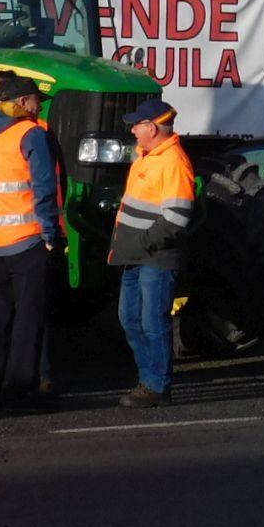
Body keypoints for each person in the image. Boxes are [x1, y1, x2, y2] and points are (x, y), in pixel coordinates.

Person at [0, 71, 65, 411]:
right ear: (23, 102)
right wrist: (50, 236)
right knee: (28, 318)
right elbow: (44, 188)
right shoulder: (30, 134)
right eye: (36, 101)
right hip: (26, 241)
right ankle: (18, 392)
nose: (39, 107)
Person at [110, 97, 199, 408]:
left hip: (155, 257)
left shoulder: (173, 161)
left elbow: (177, 217)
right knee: (130, 318)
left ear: (152, 128)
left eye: (137, 125)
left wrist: (143, 242)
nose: (132, 130)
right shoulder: (146, 157)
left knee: (151, 322)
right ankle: (149, 380)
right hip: (137, 255)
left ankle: (156, 386)